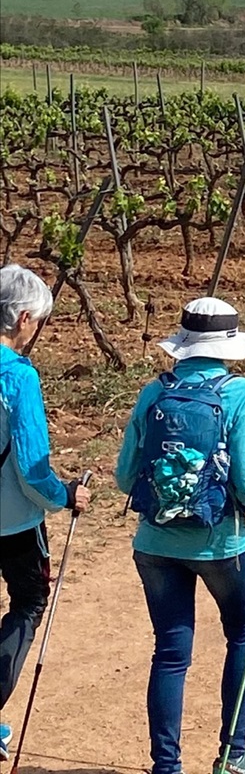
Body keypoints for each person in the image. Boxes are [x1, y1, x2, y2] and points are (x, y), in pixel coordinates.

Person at [114, 297, 245, 774]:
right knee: (243, 633)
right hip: (221, 544)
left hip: (154, 542)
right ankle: (234, 754)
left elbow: (124, 476)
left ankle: (166, 766)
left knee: (171, 652)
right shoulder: (239, 393)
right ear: (229, 347)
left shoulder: (153, 393)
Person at [0, 266, 92, 763]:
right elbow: (34, 470)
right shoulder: (17, 376)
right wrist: (66, 495)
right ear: (23, 318)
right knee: (29, 601)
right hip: (12, 522)